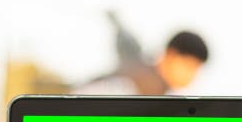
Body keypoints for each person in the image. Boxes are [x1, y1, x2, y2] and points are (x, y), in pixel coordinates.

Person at [78, 28, 209, 95]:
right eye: (189, 67)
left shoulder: (161, 92)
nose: (192, 76)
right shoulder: (135, 80)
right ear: (171, 55)